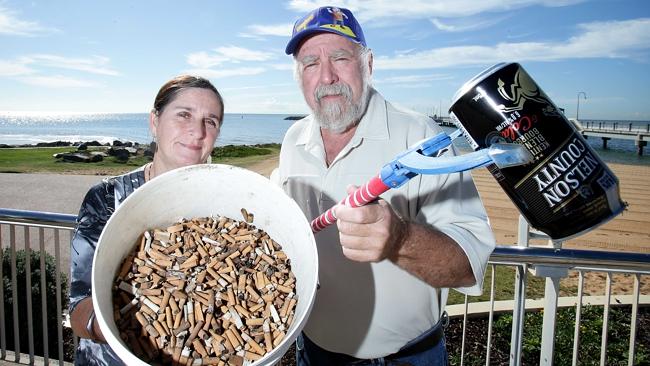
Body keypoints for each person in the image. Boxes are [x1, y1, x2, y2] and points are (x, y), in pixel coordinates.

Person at [275, 6, 496, 365]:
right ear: (298, 76)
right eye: (310, 63)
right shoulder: (291, 140)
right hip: (313, 354)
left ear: (369, 64)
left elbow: (468, 265)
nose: (327, 76)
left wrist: (400, 239)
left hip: (404, 358)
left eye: (341, 58)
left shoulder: (420, 134)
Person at [68, 75, 224, 365]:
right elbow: (78, 311)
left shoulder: (221, 206)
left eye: (211, 121)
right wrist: (128, 323)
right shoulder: (106, 199)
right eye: (184, 114)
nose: (197, 131)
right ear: (154, 122)